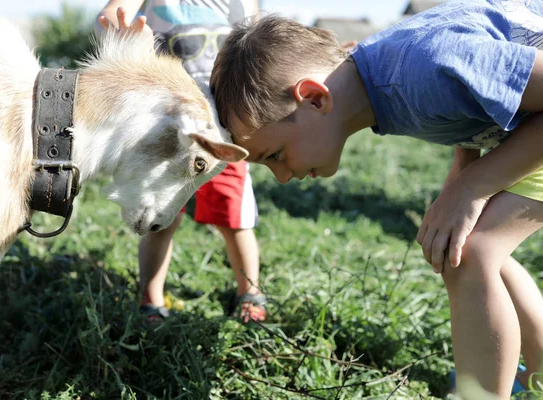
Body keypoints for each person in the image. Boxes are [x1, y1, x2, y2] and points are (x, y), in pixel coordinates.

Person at [209, 1, 543, 398]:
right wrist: (464, 167)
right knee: (469, 241)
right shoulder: (378, 76)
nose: (282, 177)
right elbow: (470, 102)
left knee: (470, 251)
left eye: (276, 156)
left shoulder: (424, 66)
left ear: (315, 99)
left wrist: (470, 188)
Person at [95, 0, 266, 323]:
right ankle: (151, 298)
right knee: (160, 220)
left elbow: (258, 46)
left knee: (234, 217)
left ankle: (250, 290)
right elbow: (109, 15)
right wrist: (118, 32)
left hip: (222, 135)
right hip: (167, 135)